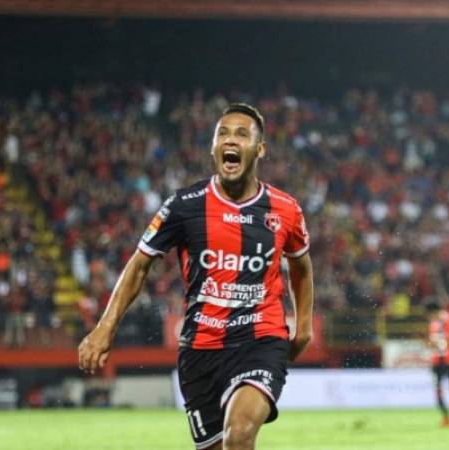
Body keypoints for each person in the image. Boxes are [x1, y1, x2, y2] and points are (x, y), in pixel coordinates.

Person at [78, 103, 314, 450]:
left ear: (259, 149)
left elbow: (301, 267)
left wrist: (304, 325)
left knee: (240, 433)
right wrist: (104, 327)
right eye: (223, 133)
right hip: (200, 350)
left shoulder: (285, 209)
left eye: (241, 134)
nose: (230, 139)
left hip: (260, 340)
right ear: (213, 147)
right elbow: (140, 264)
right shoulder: (184, 205)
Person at [425, 298, 449, 427]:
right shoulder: (433, 323)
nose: (430, 316)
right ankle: (446, 418)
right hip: (436, 360)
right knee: (438, 389)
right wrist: (432, 344)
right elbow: (430, 343)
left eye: (430, 313)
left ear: (435, 311)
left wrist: (444, 343)